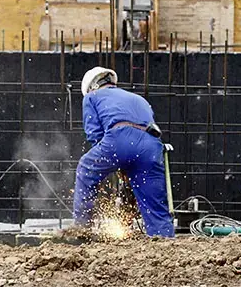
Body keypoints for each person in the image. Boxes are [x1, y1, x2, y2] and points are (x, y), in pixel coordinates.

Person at [73, 67, 175, 237]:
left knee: (86, 167)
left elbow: (95, 134)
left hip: (119, 139)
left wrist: (112, 165)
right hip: (151, 145)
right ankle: (164, 241)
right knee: (155, 206)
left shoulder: (92, 97)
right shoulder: (139, 98)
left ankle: (82, 229)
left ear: (92, 87)